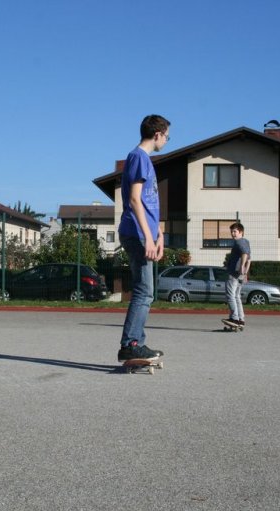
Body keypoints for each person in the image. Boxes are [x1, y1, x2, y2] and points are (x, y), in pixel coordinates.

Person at [117, 115, 170, 361]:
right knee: (144, 291)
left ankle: (136, 341)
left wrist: (159, 233)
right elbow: (134, 199)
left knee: (145, 291)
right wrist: (148, 238)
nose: (167, 140)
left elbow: (149, 204)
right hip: (136, 233)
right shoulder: (139, 157)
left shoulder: (144, 160)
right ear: (157, 134)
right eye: (167, 135)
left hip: (144, 233)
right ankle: (130, 344)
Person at [222, 222, 251, 329]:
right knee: (237, 297)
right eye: (231, 232)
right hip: (240, 275)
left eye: (235, 231)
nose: (233, 234)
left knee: (230, 296)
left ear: (241, 232)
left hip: (234, 273)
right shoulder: (246, 242)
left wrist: (241, 266)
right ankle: (241, 320)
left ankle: (234, 318)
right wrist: (245, 272)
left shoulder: (239, 242)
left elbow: (245, 254)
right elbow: (249, 259)